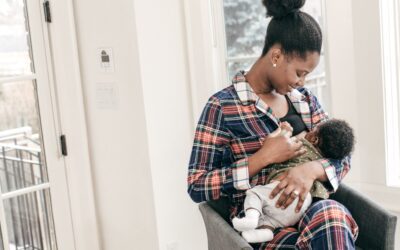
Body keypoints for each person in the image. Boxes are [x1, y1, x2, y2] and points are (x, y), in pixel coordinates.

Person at [187, 0, 359, 248]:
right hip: (263, 222)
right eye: (299, 73)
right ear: (277, 55)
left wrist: (310, 170)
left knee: (332, 219)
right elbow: (197, 185)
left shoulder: (306, 102)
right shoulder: (222, 107)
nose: (302, 82)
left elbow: (343, 155)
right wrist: (263, 158)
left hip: (312, 211)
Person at [232, 119, 355, 243]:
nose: (309, 130)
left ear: (314, 139)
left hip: (278, 190)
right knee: (274, 221)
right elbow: (341, 153)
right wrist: (264, 156)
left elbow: (345, 160)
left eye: (313, 130)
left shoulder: (301, 144)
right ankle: (266, 231)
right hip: (302, 206)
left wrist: (284, 131)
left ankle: (252, 218)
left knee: (254, 194)